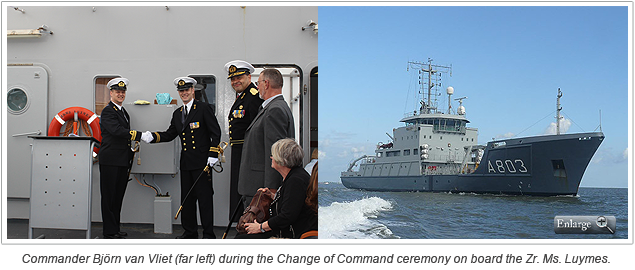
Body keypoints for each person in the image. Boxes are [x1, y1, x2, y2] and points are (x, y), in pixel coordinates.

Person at [141, 77, 222, 239]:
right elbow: (170, 134)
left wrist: (213, 154)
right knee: (187, 199)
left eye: (187, 90)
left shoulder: (204, 108)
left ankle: (208, 235)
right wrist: (152, 136)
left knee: (205, 200)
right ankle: (190, 232)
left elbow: (215, 132)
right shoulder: (177, 114)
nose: (184, 93)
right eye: (181, 91)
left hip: (202, 163)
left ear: (193, 91)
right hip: (186, 163)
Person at [239, 138, 318, 239]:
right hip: (287, 230)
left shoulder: (295, 180)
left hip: (293, 235)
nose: (271, 157)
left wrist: (260, 227)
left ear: (282, 160)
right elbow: (291, 202)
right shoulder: (295, 176)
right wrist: (272, 196)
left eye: (273, 155)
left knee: (242, 239)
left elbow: (287, 216)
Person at [238, 68, 295, 205]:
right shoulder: (273, 107)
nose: (257, 87)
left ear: (266, 84)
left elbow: (275, 152)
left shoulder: (275, 110)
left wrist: (272, 188)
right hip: (257, 186)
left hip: (261, 189)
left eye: (258, 83)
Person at [98, 78, 143, 239]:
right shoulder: (108, 111)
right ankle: (109, 231)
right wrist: (139, 135)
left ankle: (115, 228)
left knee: (117, 196)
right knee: (109, 197)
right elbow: (116, 131)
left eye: (123, 92)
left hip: (122, 160)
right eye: (117, 91)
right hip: (110, 160)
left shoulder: (123, 112)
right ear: (111, 93)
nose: (120, 94)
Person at [224, 60, 264, 220]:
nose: (235, 82)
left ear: (249, 76)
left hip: (248, 154)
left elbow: (257, 129)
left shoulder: (253, 97)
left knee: (247, 192)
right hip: (239, 152)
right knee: (240, 190)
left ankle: (249, 225)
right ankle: (243, 224)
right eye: (233, 79)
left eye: (239, 77)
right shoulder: (243, 97)